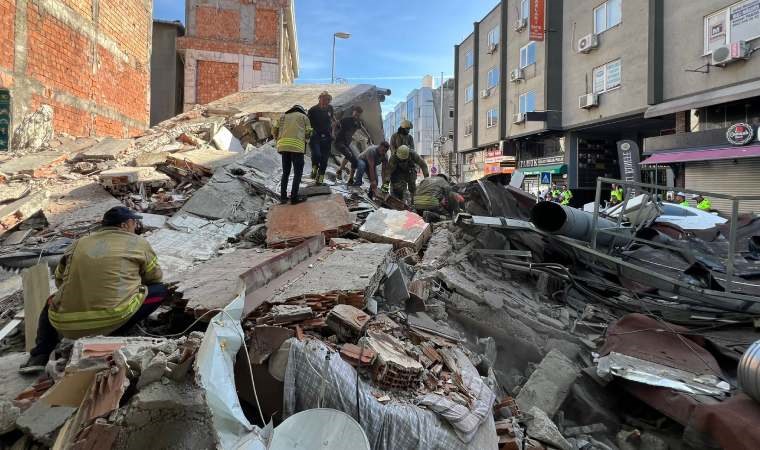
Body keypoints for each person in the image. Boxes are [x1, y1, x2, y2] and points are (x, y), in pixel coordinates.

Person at [20, 207, 166, 373]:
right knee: (159, 290)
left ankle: (39, 355)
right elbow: (154, 277)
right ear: (125, 225)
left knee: (51, 302)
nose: (136, 226)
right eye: (134, 222)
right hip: (112, 318)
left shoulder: (79, 243)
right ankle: (116, 333)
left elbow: (60, 280)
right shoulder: (139, 243)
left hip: (66, 324)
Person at [273, 104, 312, 204]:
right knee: (297, 173)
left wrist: (277, 139)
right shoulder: (304, 117)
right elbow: (308, 132)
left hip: (283, 147)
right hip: (297, 147)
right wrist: (306, 139)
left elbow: (274, 129)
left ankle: (283, 197)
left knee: (285, 172)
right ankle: (294, 197)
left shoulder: (283, 116)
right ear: (301, 111)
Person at [307, 91, 335, 185]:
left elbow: (332, 119)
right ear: (320, 99)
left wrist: (333, 132)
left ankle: (320, 178)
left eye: (328, 99)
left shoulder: (330, 108)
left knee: (325, 159)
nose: (326, 101)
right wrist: (310, 134)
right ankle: (314, 168)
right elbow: (308, 125)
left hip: (327, 137)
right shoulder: (312, 110)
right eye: (324, 98)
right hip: (316, 137)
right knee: (317, 155)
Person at [334, 106, 364, 184]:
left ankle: (350, 179)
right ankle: (340, 171)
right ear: (353, 112)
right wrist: (333, 134)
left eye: (358, 115)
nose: (356, 116)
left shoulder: (358, 122)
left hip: (347, 144)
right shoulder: (346, 120)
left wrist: (369, 137)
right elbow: (335, 124)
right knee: (348, 154)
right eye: (355, 114)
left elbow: (362, 128)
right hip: (339, 142)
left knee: (354, 161)